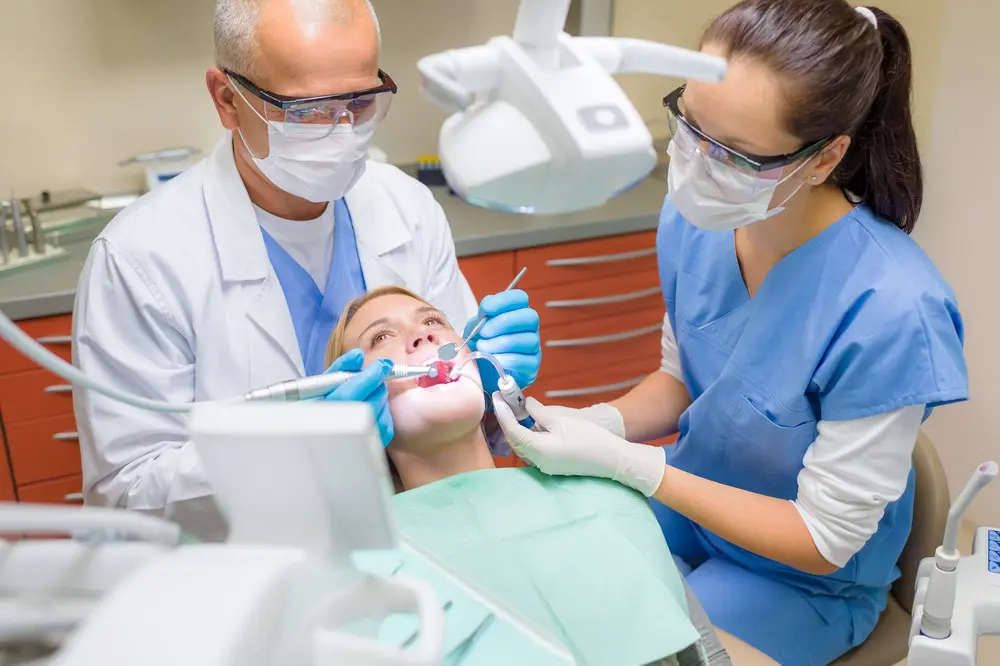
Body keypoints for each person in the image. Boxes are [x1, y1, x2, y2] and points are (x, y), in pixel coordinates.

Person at [493, 2, 968, 665]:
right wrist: (598, 422)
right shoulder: (697, 218)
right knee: (543, 578)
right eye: (689, 125)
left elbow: (823, 537)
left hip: (801, 579)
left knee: (633, 644)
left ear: (826, 157)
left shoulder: (891, 308)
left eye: (736, 155)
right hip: (694, 509)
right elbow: (683, 378)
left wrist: (638, 468)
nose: (694, 164)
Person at [71, 0, 540, 542]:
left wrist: (494, 387)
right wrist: (297, 447)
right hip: (246, 575)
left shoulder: (407, 209)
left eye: (361, 102)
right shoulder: (141, 258)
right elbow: (125, 494)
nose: (342, 131)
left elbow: (460, 415)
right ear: (227, 99)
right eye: (307, 111)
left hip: (427, 542)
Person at [326, 286, 734, 666]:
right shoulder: (360, 572)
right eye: (381, 338)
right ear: (359, 401)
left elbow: (704, 652)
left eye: (433, 321)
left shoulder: (601, 490)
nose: (423, 337)